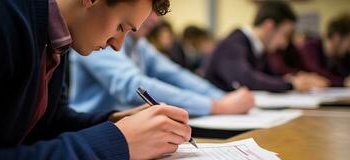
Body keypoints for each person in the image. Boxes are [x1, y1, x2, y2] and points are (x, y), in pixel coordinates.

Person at [0, 0, 193, 160]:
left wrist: (116, 121)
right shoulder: (5, 17)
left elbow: (50, 123)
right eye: (120, 27)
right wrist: (116, 141)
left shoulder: (58, 37)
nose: (118, 46)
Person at [69, 12, 254, 117]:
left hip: (125, 123)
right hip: (89, 126)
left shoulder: (139, 44)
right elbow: (132, 85)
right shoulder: (100, 38)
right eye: (148, 9)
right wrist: (217, 106)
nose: (154, 19)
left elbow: (175, 74)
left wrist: (223, 98)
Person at [202, 1, 328, 93]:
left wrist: (296, 79)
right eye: (285, 35)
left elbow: (270, 77)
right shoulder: (233, 44)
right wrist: (290, 84)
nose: (284, 44)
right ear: (269, 26)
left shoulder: (258, 49)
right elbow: (245, 79)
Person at [298, 14, 350, 87]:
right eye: (348, 41)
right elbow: (318, 74)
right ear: (337, 37)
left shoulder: (342, 55)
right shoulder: (310, 48)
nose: (349, 47)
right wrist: (343, 81)